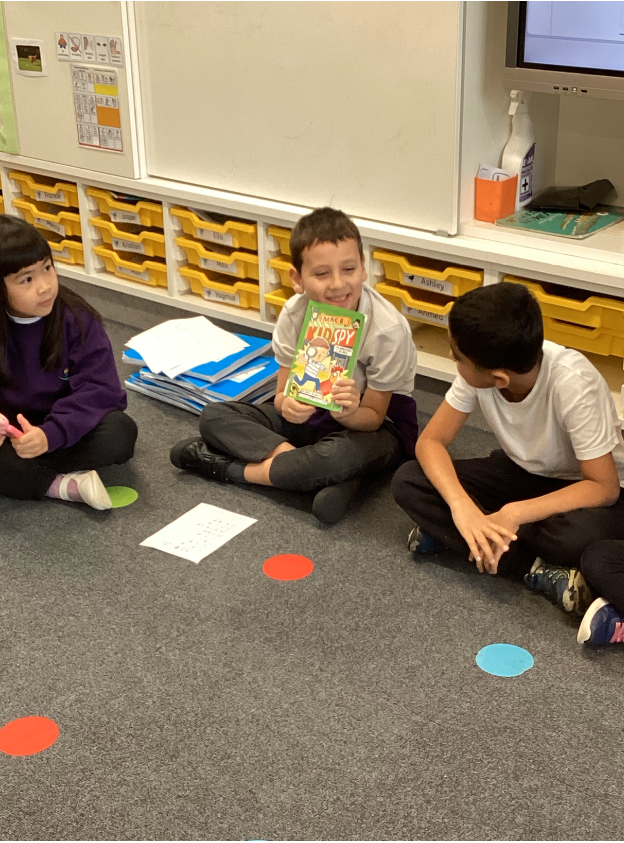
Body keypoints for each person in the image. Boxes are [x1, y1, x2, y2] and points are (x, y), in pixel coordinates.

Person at [391, 281, 624, 644]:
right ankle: (536, 569)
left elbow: (604, 488)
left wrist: (514, 513)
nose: (454, 360)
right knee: (410, 480)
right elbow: (431, 442)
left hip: (583, 491)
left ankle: (473, 541)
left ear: (498, 379)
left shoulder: (573, 383)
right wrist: (461, 507)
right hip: (523, 472)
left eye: (457, 357)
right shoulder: (482, 368)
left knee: (572, 539)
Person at [171, 206, 418, 524]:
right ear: (297, 278)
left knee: (341, 455)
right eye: (321, 273)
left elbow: (374, 417)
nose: (338, 284)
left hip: (378, 424)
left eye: (349, 269)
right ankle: (318, 475)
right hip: (312, 417)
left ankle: (235, 470)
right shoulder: (293, 313)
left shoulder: (387, 329)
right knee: (214, 415)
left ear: (364, 269)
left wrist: (349, 413)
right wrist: (287, 406)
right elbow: (282, 394)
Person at [0, 215, 137, 509]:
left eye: (47, 269)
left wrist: (50, 435)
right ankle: (61, 486)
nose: (45, 286)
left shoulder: (77, 319)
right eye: (27, 279)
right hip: (10, 434)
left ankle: (30, 471)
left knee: (119, 433)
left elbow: (100, 391)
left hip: (64, 425)